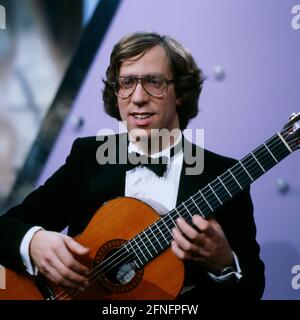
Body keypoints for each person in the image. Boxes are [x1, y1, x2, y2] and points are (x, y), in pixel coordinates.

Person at [0, 32, 265, 300]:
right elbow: (6, 227)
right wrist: (33, 242)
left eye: (154, 82)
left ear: (181, 93)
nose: (138, 97)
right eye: (126, 83)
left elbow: (252, 290)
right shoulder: (89, 158)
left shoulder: (223, 175)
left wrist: (224, 263)